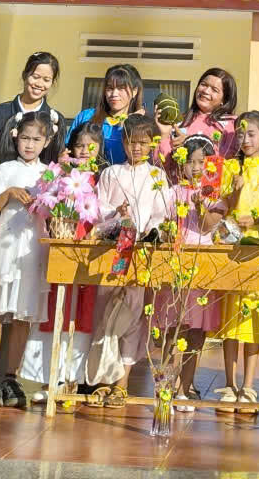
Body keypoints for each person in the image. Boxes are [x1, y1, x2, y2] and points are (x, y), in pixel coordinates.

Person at [0, 108, 61, 408]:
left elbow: (56, 214)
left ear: (47, 141)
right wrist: (8, 194)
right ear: (15, 137)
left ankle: (11, 376)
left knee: (23, 314)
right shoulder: (5, 169)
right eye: (25, 138)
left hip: (32, 250)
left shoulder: (50, 174)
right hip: (5, 248)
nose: (30, 145)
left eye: (36, 139)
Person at [88, 114, 172, 404]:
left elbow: (161, 213)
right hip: (113, 251)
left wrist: (150, 231)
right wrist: (117, 214)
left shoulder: (157, 176)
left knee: (133, 315)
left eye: (143, 143)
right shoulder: (111, 173)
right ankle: (103, 379)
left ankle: (122, 382)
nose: (136, 148)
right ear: (123, 143)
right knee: (106, 312)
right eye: (131, 142)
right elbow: (98, 209)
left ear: (152, 145)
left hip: (140, 253)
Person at [23, 120, 106, 403]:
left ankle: (72, 380)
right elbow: (44, 202)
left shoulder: (101, 178)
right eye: (79, 145)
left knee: (82, 313)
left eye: (90, 147)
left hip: (87, 251)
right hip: (60, 247)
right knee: (55, 309)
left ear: (99, 149)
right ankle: (48, 378)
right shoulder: (60, 173)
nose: (83, 151)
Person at [152, 135, 226, 411]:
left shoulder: (214, 195)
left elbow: (207, 227)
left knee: (196, 332)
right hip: (176, 262)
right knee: (173, 330)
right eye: (190, 161)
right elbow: (162, 222)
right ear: (180, 164)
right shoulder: (171, 193)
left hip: (202, 263)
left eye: (201, 162)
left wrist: (198, 205)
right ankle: (165, 387)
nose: (195, 168)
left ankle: (184, 389)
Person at [215, 111, 259, 413]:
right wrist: (235, 191)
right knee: (230, 314)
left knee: (255, 313)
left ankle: (249, 385)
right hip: (231, 244)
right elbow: (220, 205)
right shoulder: (229, 167)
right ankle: (229, 384)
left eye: (252, 133)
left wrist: (256, 218)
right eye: (241, 134)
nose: (246, 140)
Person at [64, 63, 143, 164]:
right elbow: (67, 152)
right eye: (110, 88)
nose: (114, 94)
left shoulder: (141, 124)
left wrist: (132, 126)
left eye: (121, 88)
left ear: (134, 91)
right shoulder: (86, 116)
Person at [156, 67, 238, 163]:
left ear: (224, 100)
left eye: (214, 90)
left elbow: (226, 162)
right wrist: (164, 135)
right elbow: (161, 165)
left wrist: (190, 143)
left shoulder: (232, 125)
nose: (206, 91)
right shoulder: (179, 121)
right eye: (203, 84)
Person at [0, 51, 64, 140]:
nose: (39, 84)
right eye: (35, 77)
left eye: (46, 80)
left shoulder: (56, 120)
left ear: (52, 82)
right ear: (24, 75)